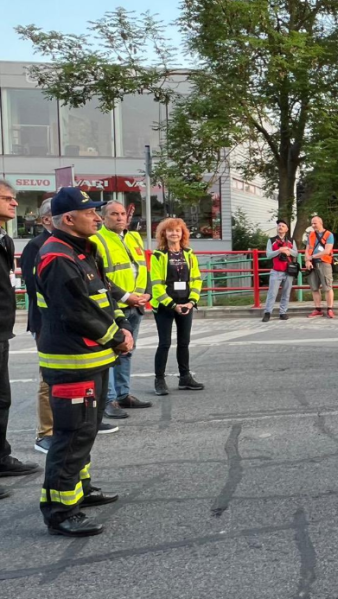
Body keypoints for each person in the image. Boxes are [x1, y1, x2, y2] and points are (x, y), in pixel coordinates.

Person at [34, 187, 130, 535]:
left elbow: (102, 297)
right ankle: (60, 510)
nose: (97, 217)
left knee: (85, 431)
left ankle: (80, 490)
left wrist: (119, 326)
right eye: (90, 212)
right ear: (69, 219)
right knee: (71, 434)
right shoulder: (57, 256)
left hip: (92, 359)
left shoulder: (82, 250)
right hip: (72, 361)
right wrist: (117, 337)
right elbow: (75, 311)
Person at [1, 181, 42, 501]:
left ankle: (1, 457)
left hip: (3, 329)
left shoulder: (5, 238)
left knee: (3, 399)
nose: (14, 204)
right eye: (6, 199)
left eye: (14, 198)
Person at [93, 201, 153, 420]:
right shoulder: (96, 240)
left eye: (121, 214)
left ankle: (123, 393)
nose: (119, 217)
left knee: (127, 351)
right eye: (113, 214)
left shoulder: (134, 237)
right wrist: (127, 297)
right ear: (103, 218)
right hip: (113, 306)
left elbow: (143, 268)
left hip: (136, 305)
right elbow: (100, 276)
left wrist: (147, 294)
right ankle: (109, 400)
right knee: (110, 354)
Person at [150, 218, 204, 396]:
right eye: (170, 230)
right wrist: (172, 305)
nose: (174, 233)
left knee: (184, 343)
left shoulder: (189, 253)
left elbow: (196, 279)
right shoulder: (158, 255)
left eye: (178, 231)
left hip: (185, 303)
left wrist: (191, 301)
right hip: (166, 305)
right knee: (164, 343)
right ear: (164, 234)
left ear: (183, 234)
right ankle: (159, 380)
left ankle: (185, 378)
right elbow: (156, 285)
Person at [19, 199, 56, 452]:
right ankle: (46, 433)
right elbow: (35, 289)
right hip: (46, 322)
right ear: (46, 220)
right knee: (48, 378)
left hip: (69, 323)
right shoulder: (36, 246)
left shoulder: (74, 243)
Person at [262, 220, 298, 322]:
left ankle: (283, 312)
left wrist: (287, 250)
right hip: (276, 271)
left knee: (286, 293)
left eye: (283, 226)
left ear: (286, 229)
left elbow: (295, 253)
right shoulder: (271, 240)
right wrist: (279, 250)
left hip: (288, 271)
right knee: (272, 293)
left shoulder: (291, 240)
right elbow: (268, 255)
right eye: (279, 226)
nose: (280, 227)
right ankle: (267, 312)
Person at [304, 216, 336, 318]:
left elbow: (327, 251)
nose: (313, 225)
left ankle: (329, 309)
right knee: (314, 288)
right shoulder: (311, 235)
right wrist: (307, 260)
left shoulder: (329, 235)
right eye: (312, 223)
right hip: (312, 263)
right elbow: (307, 248)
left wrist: (311, 256)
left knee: (327, 287)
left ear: (320, 223)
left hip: (324, 263)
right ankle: (317, 309)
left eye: (315, 223)